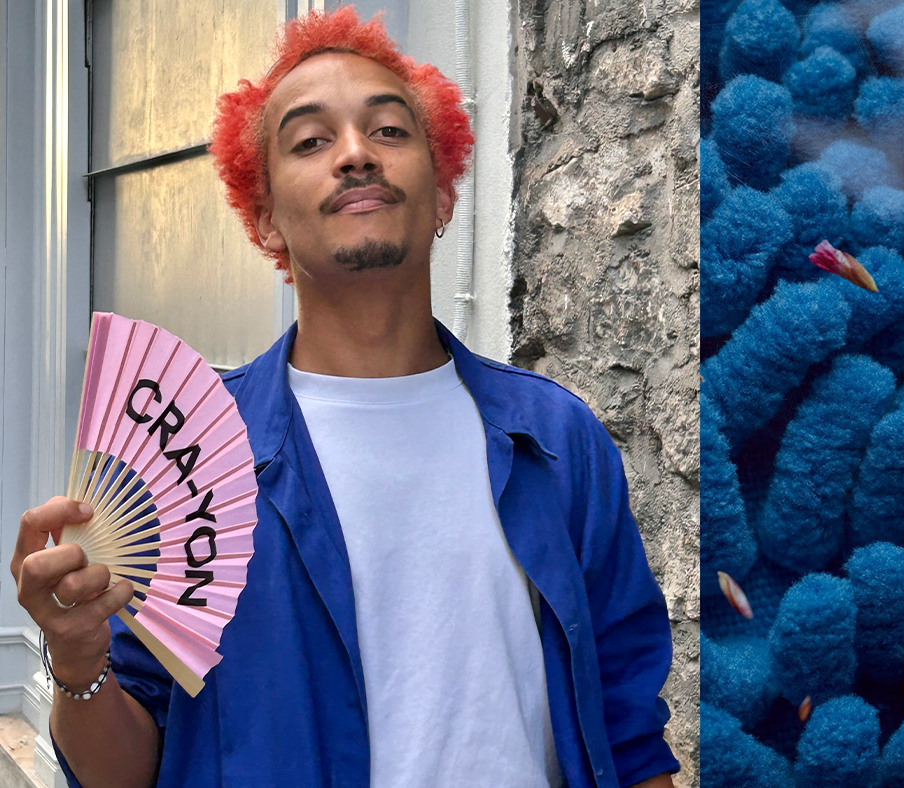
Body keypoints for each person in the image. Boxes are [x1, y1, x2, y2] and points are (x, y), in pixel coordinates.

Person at [8, 7, 678, 788]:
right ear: (262, 216)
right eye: (310, 140)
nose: (356, 154)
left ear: (444, 191)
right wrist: (77, 657)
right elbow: (127, 771)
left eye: (390, 131)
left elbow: (628, 731)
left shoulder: (558, 441)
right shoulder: (185, 456)